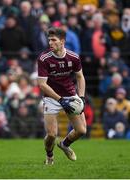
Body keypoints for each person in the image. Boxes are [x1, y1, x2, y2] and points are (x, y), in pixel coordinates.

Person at [37, 27, 86, 165]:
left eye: (54, 40)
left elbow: (80, 77)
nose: (50, 43)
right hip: (51, 97)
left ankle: (64, 144)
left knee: (81, 130)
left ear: (62, 41)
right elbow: (41, 84)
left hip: (70, 94)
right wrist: (60, 99)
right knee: (52, 134)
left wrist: (81, 97)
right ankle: (49, 155)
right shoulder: (44, 58)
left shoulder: (74, 57)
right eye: (49, 40)